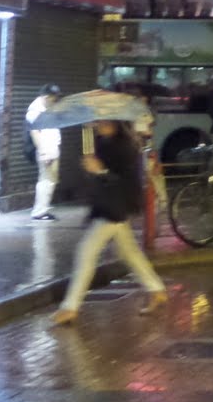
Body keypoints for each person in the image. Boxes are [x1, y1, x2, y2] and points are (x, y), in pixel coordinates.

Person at [53, 120, 167, 324]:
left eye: (100, 120)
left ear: (112, 121)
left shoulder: (124, 146)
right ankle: (156, 289)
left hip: (115, 208)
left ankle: (70, 307)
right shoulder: (102, 141)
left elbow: (125, 182)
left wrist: (101, 171)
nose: (96, 124)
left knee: (86, 251)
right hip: (107, 207)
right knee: (128, 252)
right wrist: (91, 168)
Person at [25, 84, 64, 221]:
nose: (55, 101)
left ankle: (43, 209)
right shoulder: (35, 111)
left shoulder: (46, 108)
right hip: (46, 150)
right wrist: (43, 152)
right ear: (46, 97)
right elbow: (35, 133)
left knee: (50, 181)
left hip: (52, 149)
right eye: (54, 98)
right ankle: (40, 212)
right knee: (46, 180)